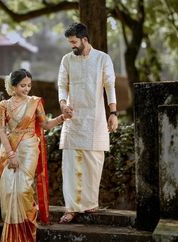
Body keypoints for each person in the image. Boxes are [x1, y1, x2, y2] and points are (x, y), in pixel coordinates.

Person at [57, 23, 118, 223]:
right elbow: (62, 85)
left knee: (94, 163)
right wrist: (63, 104)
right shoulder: (67, 60)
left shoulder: (102, 58)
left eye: (74, 42)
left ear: (84, 39)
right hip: (72, 118)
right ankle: (71, 208)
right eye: (69, 42)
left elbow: (110, 85)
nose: (72, 46)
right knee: (70, 164)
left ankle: (91, 204)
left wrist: (113, 112)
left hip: (95, 118)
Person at [0, 68, 65, 242]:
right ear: (13, 86)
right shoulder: (3, 105)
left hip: (28, 149)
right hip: (9, 149)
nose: (26, 89)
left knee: (23, 190)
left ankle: (27, 228)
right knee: (8, 191)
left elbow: (45, 124)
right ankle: (13, 235)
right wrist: (11, 154)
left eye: (29, 85)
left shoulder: (35, 102)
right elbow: (1, 130)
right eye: (22, 86)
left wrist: (61, 118)